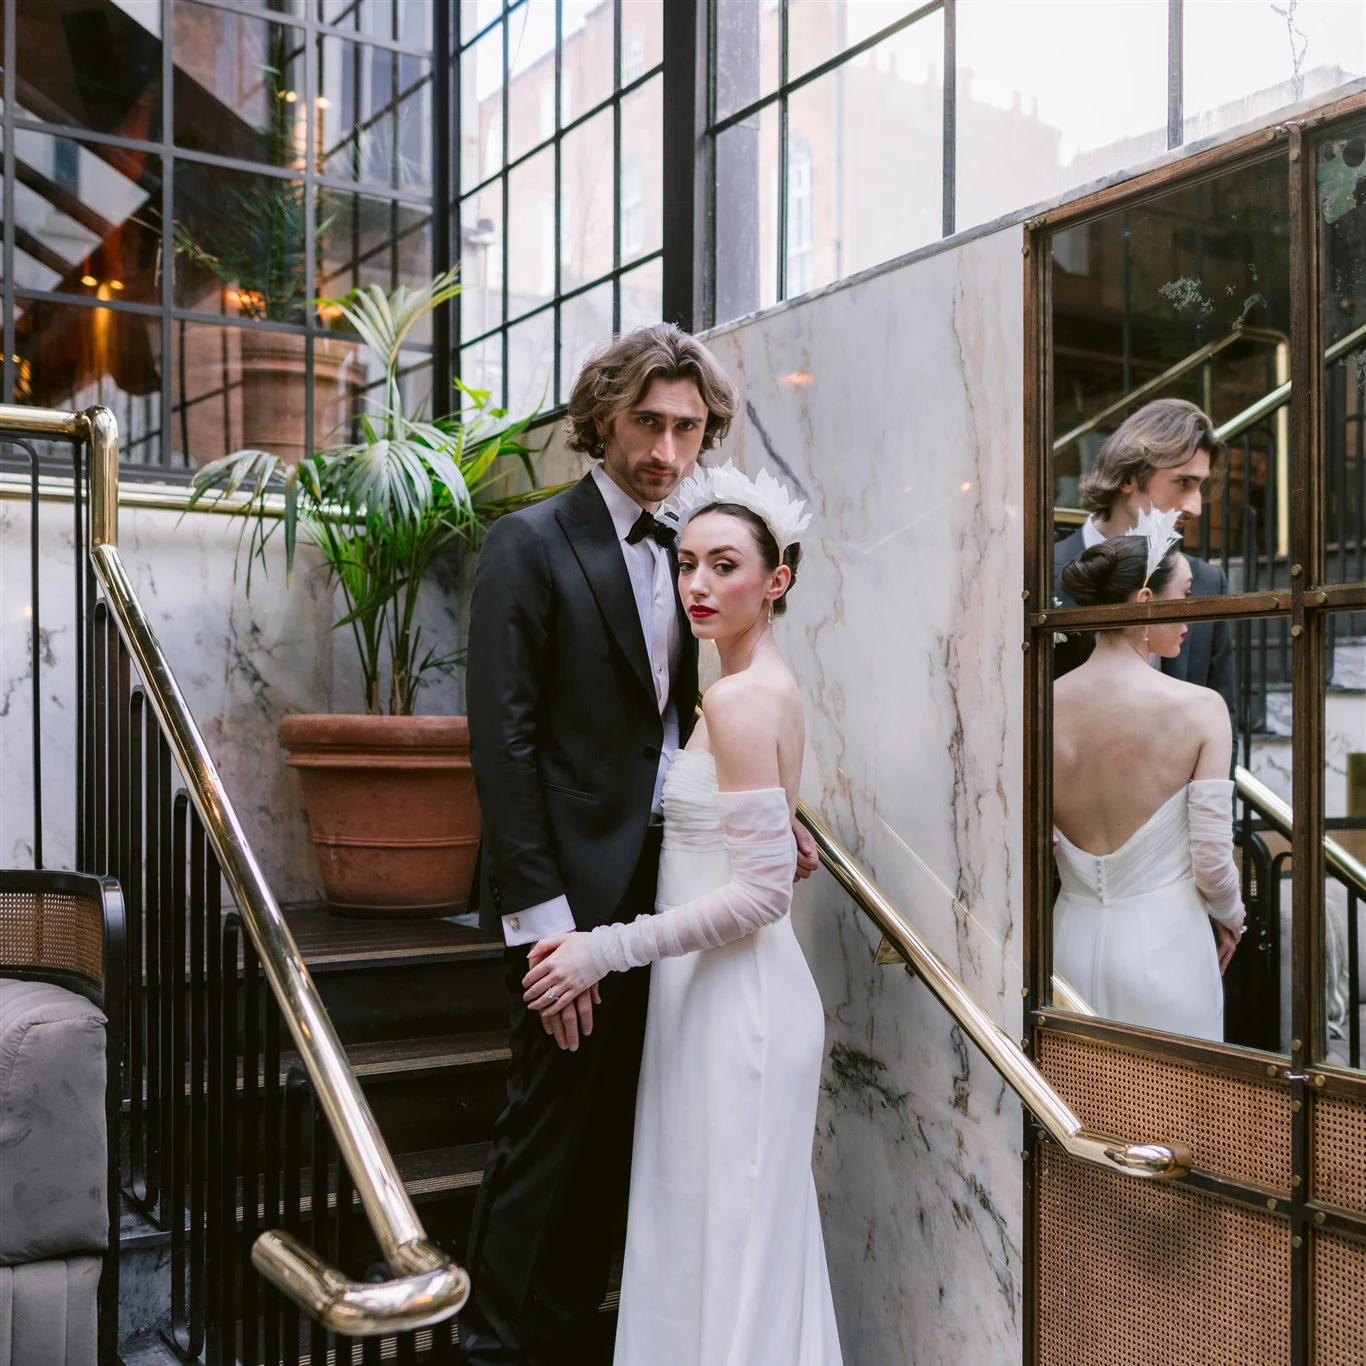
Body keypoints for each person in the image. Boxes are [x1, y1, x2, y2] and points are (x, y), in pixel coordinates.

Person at [459, 326, 818, 1366]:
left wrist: (763, 821)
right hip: (570, 902)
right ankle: (487, 1347)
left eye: (688, 428)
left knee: (620, 1149)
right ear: (602, 419)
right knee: (545, 1141)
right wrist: (546, 928)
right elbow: (503, 744)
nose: (666, 449)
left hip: (667, 896)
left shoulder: (693, 549)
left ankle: (568, 1340)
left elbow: (674, 730)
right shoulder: (529, 543)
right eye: (648, 422)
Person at [522, 461, 844, 1366]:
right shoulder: (745, 685)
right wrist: (779, 833)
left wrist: (600, 950)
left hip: (741, 1008)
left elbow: (761, 896)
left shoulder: (741, 697)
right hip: (707, 998)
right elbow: (752, 842)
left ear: (776, 580)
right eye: (689, 562)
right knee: (707, 1239)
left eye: (725, 566)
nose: (698, 583)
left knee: (733, 1245)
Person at [1051, 511, 1245, 1043]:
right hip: (1168, 949)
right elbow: (1211, 858)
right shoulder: (1201, 708)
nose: (1192, 616)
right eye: (1185, 596)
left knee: (1073, 1095)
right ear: (1144, 602)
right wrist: (1232, 916)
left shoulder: (1042, 705)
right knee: (1173, 1096)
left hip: (1067, 948)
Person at [1053, 398, 1236, 733]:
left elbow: (1225, 723)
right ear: (1130, 478)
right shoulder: (1041, 575)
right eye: (1183, 483)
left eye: (1200, 486)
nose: (1196, 507)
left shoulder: (1208, 581)